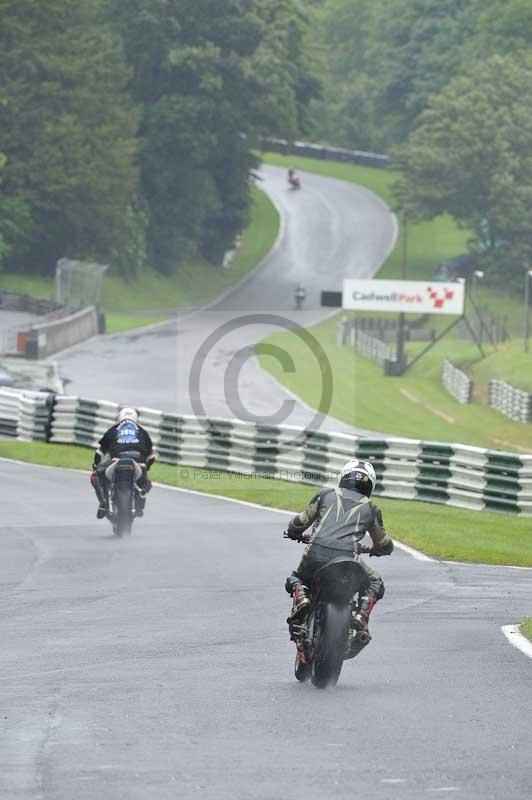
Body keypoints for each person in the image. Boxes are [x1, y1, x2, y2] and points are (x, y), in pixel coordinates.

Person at [284, 459, 394, 647]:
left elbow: (300, 522)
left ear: (344, 477)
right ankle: (361, 615)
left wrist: (295, 532)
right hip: (348, 559)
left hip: (316, 553)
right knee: (375, 581)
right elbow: (383, 542)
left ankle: (302, 596)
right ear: (370, 485)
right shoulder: (371, 508)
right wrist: (381, 549)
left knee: (297, 578)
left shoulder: (325, 495)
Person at [90, 407, 155, 519]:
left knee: (95, 476)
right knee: (146, 482)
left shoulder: (113, 429)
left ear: (119, 418)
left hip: (117, 459)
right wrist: (146, 467)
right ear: (136, 419)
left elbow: (99, 453)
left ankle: (103, 503)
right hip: (138, 462)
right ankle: (141, 497)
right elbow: (152, 456)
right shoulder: (142, 431)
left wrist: (96, 466)